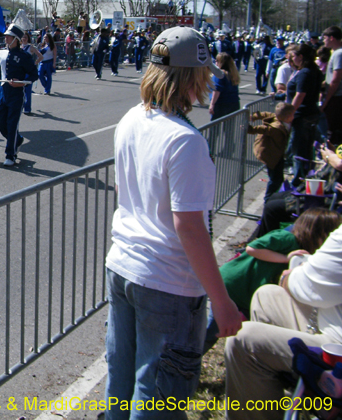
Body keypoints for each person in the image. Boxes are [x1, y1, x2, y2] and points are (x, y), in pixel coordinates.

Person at [104, 26, 242, 420]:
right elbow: (190, 228)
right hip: (168, 281)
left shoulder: (132, 118)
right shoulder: (186, 140)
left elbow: (127, 191)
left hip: (123, 265)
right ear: (193, 78)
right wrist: (221, 302)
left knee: (122, 381)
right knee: (158, 396)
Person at [224, 222, 342, 420]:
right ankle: (287, 396)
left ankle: (317, 398)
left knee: (243, 340)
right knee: (267, 295)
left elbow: (305, 285)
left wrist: (289, 276)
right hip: (331, 329)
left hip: (337, 351)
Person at [203, 207, 341, 354]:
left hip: (248, 293)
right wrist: (286, 258)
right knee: (214, 329)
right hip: (235, 284)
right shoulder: (287, 239)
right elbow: (252, 248)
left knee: (241, 327)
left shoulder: (307, 253)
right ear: (318, 232)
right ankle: (192, 355)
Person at [0, 23, 38, 167]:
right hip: (2, 93)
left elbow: (34, 74)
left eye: (9, 36)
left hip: (16, 94)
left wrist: (22, 83)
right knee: (0, 123)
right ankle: (18, 140)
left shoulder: (24, 56)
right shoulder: (0, 53)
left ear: (16, 39)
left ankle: (10, 155)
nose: (6, 38)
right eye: (5, 36)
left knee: (12, 125)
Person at [287, 43, 323, 184]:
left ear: (300, 57)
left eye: (294, 56)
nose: (292, 59)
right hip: (311, 113)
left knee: (299, 150)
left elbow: (300, 95)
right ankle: (305, 178)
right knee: (306, 150)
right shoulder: (315, 70)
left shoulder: (305, 72)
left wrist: (290, 113)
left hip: (302, 114)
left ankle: (298, 181)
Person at [248, 103, 295, 202]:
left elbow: (265, 114)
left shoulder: (279, 119)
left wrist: (254, 116)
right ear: (288, 117)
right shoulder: (276, 128)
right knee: (275, 180)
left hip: (278, 154)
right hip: (271, 156)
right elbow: (263, 129)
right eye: (293, 115)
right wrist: (250, 129)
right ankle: (268, 199)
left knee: (278, 178)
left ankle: (275, 196)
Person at [320, 26, 342, 145]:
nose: (324, 41)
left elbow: (336, 79)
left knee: (333, 133)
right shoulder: (336, 53)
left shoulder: (339, 54)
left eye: (325, 38)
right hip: (335, 97)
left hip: (336, 97)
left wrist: (326, 100)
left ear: (332, 38)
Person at [209, 52, 240, 120]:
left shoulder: (220, 74)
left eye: (217, 61)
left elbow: (217, 90)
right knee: (229, 125)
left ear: (221, 62)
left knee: (215, 125)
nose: (215, 62)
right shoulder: (233, 74)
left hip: (221, 104)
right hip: (234, 103)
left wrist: (212, 104)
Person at [20, 32, 43, 115]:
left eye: (26, 37)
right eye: (23, 37)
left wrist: (34, 64)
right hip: (20, 71)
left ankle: (27, 108)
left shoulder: (31, 47)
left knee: (28, 90)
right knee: (20, 90)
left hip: (28, 72)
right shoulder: (19, 47)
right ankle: (21, 106)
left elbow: (40, 56)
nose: (24, 39)